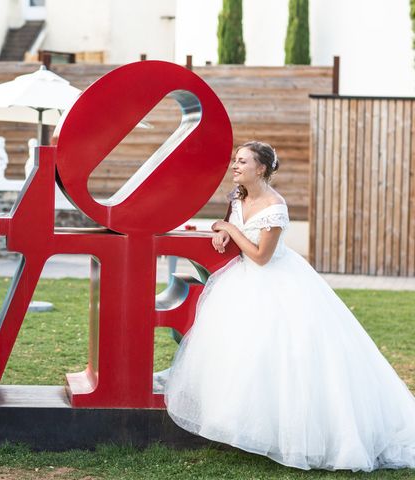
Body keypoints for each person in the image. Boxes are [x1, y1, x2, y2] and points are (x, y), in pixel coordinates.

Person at [164, 141, 415, 471]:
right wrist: (220, 228)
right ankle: (249, 424)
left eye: (242, 161)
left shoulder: (274, 206)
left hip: (276, 281)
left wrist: (229, 230)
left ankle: (301, 435)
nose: (234, 166)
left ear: (261, 169)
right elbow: (229, 223)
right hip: (241, 284)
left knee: (286, 358)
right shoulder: (238, 195)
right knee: (241, 356)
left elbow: (260, 257)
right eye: (234, 160)